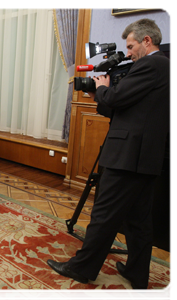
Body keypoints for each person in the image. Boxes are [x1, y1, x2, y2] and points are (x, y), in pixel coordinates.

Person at [47, 19, 173, 294]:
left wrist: (103, 86)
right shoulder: (164, 68)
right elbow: (123, 109)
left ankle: (81, 268)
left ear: (147, 40)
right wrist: (98, 94)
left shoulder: (152, 64)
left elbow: (115, 99)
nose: (128, 53)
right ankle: (138, 275)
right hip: (143, 159)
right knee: (139, 222)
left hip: (128, 157)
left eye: (131, 46)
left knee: (103, 216)